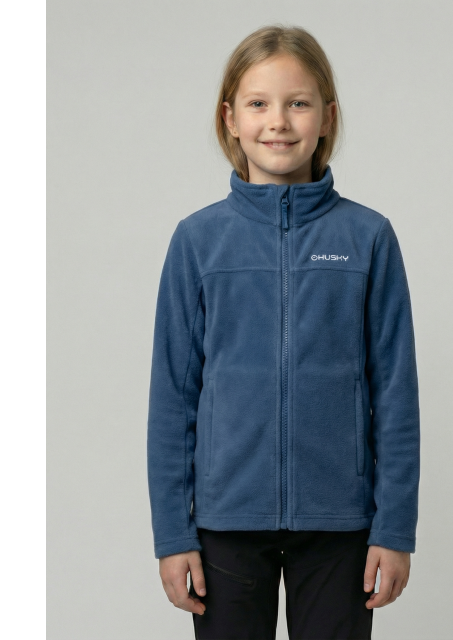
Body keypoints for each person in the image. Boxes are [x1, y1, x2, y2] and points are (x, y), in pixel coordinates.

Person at [147, 24, 421, 640]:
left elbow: (396, 394)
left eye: (298, 103)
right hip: (225, 523)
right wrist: (173, 533)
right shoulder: (197, 241)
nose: (278, 121)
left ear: (327, 116)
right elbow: (173, 398)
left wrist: (394, 528)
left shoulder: (368, 238)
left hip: (340, 524)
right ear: (230, 119)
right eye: (258, 103)